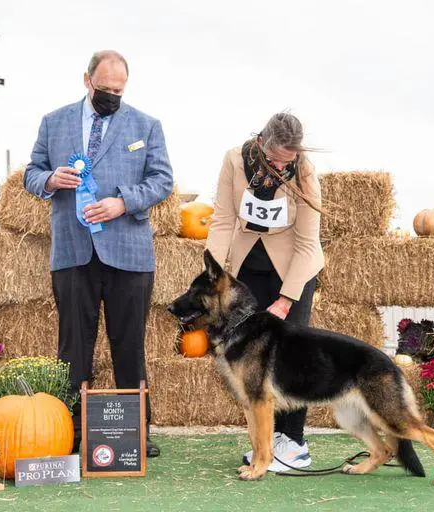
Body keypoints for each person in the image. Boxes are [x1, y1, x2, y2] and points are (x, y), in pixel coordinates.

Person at [24, 50, 173, 457]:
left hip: (129, 253)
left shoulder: (147, 125)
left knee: (129, 344)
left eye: (119, 90)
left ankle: (136, 433)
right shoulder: (54, 122)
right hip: (73, 251)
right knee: (72, 346)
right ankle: (67, 431)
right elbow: (31, 173)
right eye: (105, 88)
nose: (112, 95)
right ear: (86, 80)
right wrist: (51, 179)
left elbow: (162, 181)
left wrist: (123, 202)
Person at [205, 112, 324, 472]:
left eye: (286, 161)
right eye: (273, 159)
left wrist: (287, 300)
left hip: (293, 269)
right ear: (261, 142)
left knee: (292, 355)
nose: (278, 167)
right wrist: (213, 271)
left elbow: (307, 243)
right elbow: (224, 220)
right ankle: (265, 441)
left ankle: (295, 443)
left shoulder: (304, 172)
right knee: (250, 357)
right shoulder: (233, 161)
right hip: (248, 268)